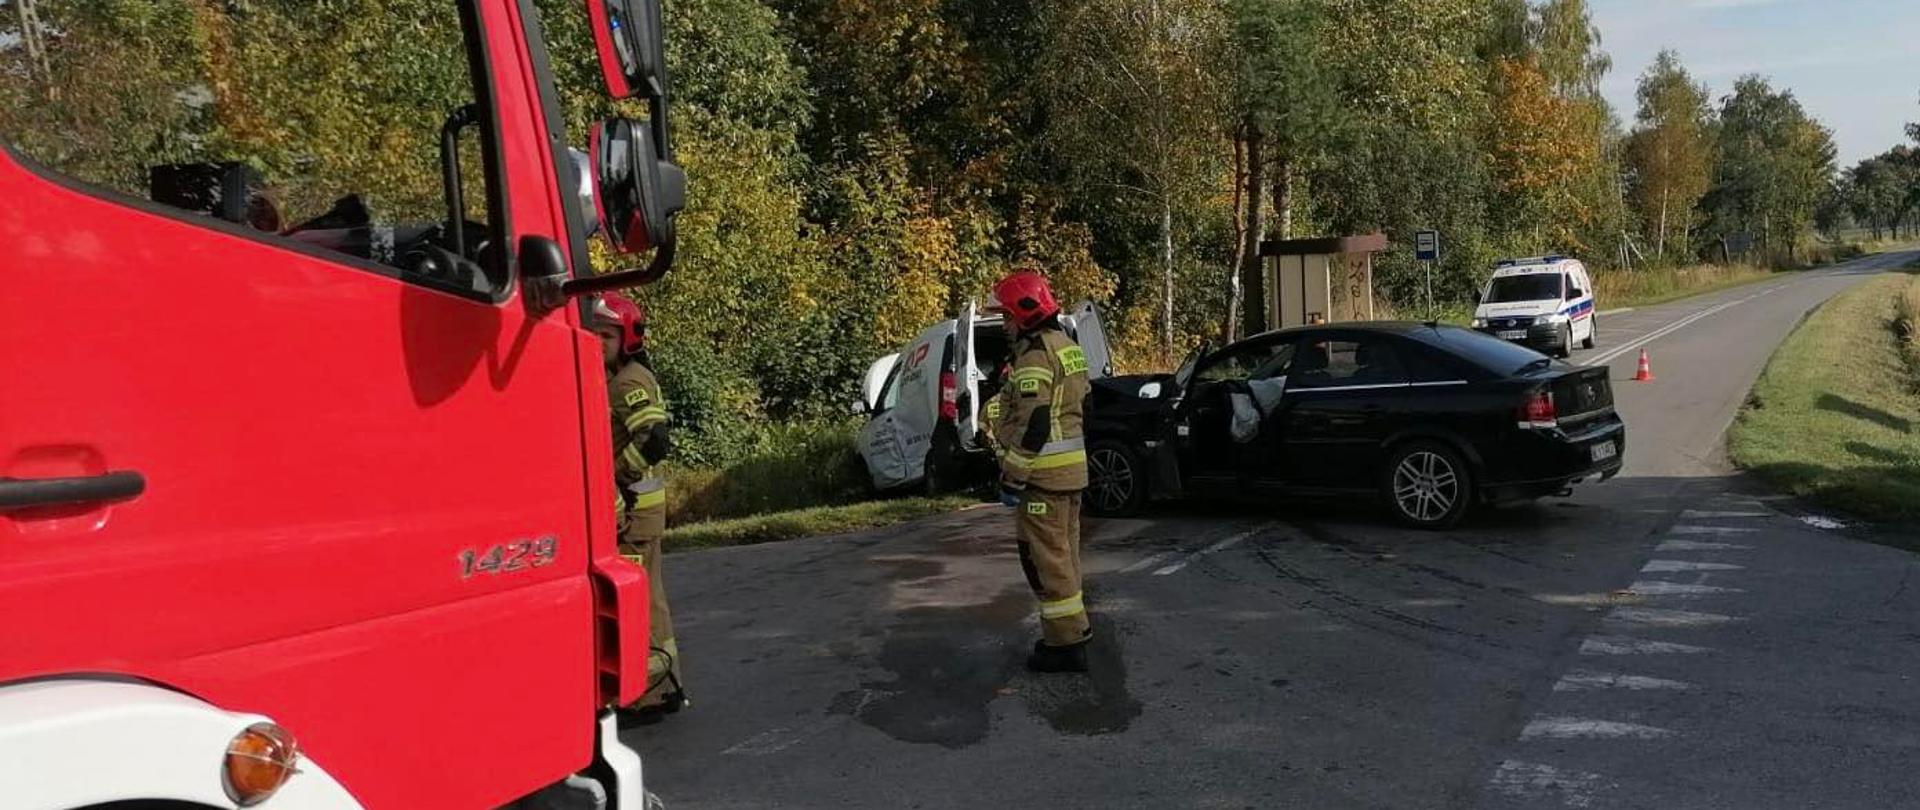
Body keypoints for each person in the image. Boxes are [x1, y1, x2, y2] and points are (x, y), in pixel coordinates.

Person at [988, 272, 1094, 673]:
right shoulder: (1068, 347)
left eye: (1006, 316)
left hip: (1043, 480)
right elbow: (1083, 407)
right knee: (1064, 558)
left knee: (1046, 562)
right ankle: (1073, 631)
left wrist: (1013, 476)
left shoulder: (1035, 356)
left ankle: (1065, 645)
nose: (1004, 325)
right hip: (1071, 476)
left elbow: (1035, 423)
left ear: (1024, 314)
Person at [592, 293, 687, 723]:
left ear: (627, 338)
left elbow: (654, 438)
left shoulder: (627, 382)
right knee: (652, 600)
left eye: (607, 336)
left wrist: (614, 475)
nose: (599, 342)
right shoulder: (624, 376)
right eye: (594, 334)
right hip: (641, 512)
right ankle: (666, 687)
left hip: (633, 514)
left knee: (637, 604)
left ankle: (647, 695)